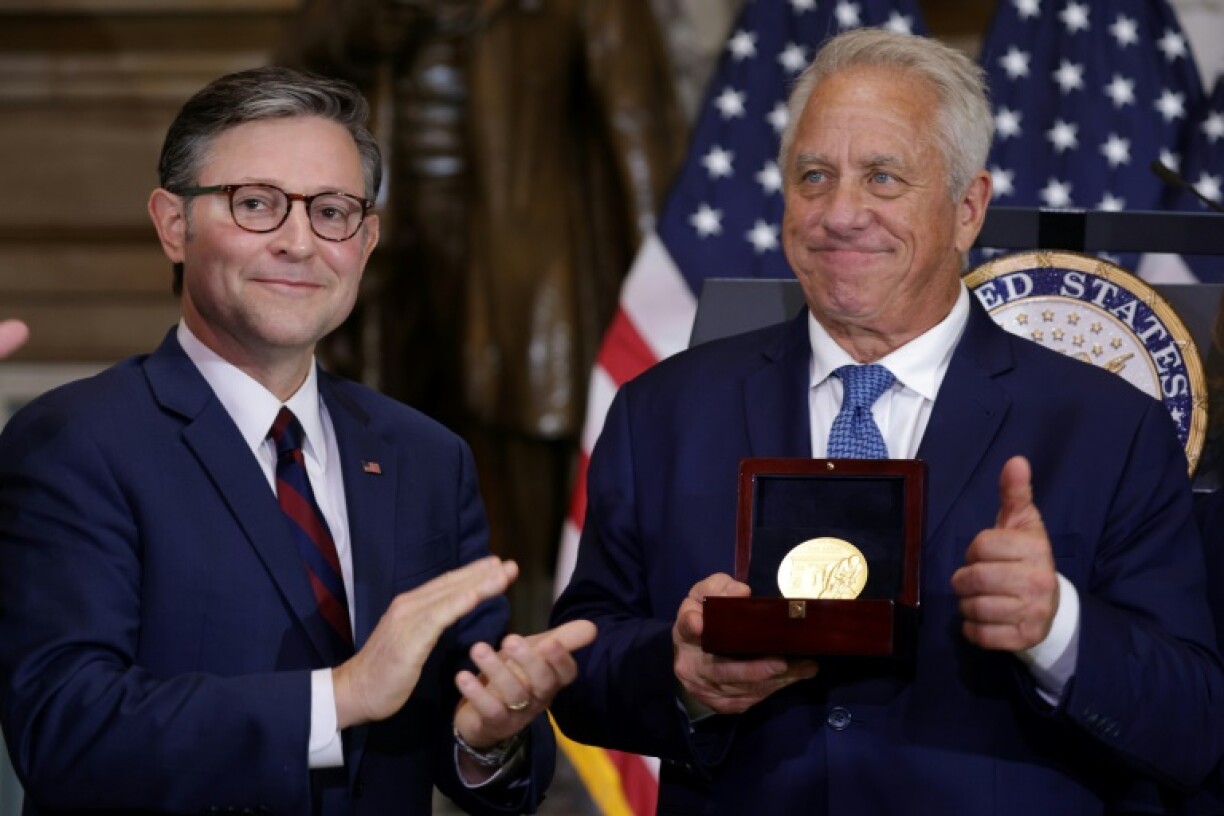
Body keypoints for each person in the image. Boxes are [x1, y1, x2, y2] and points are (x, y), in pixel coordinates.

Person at [549, 28, 1224, 815]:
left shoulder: (1106, 429)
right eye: (814, 176)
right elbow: (582, 666)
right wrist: (680, 672)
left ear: (968, 208)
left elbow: (1195, 725)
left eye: (882, 177)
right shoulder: (663, 413)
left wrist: (1057, 629)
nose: (840, 214)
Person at [0, 66, 594, 815]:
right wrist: (339, 696)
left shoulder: (426, 457)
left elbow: (481, 742)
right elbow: (65, 731)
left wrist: (488, 734)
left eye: (333, 212)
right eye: (256, 204)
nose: (299, 242)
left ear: (366, 241)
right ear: (173, 224)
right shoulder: (74, 440)